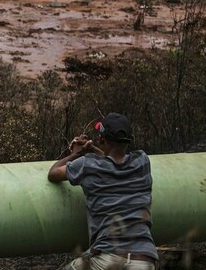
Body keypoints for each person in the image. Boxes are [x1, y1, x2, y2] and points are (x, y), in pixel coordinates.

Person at [47, 112, 158, 270]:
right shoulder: (143, 162)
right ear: (131, 140)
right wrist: (93, 149)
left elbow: (53, 173)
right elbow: (115, 164)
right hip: (145, 260)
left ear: (101, 139)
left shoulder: (87, 165)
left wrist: (77, 153)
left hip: (108, 258)